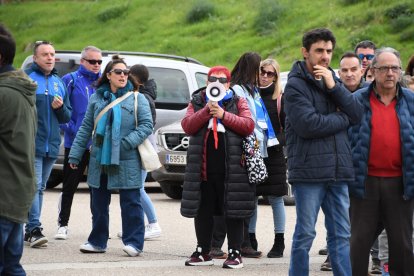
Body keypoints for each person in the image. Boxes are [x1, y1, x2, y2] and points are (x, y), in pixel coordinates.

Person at [284, 28, 362, 276]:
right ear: (305, 52)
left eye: (329, 51)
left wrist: (333, 86)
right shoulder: (294, 86)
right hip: (309, 173)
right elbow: (308, 126)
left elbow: (357, 114)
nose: (325, 56)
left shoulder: (334, 81)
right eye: (319, 50)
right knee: (305, 234)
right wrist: (342, 118)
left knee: (341, 234)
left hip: (339, 172)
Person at [68, 55, 153, 256]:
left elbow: (146, 125)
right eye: (118, 72)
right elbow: (85, 127)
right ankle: (97, 241)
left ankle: (134, 243)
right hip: (99, 157)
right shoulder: (97, 98)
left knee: (131, 201)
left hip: (128, 157)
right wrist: (75, 155)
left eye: (126, 72)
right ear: (108, 75)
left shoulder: (136, 98)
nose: (123, 75)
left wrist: (126, 143)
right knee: (98, 202)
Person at [181, 65, 255, 269]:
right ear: (207, 81)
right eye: (214, 79)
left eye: (222, 80)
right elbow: (187, 125)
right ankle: (203, 251)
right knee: (202, 209)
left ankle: (235, 252)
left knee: (233, 210)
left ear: (229, 83)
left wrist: (223, 114)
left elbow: (248, 125)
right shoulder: (197, 101)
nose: (218, 84)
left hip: (232, 169)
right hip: (203, 168)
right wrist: (206, 111)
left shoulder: (238, 101)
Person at [348, 47, 414, 276]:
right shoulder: (356, 100)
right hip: (364, 182)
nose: (389, 73)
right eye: (384, 68)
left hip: (400, 183)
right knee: (358, 242)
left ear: (400, 71)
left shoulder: (411, 101)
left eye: (394, 68)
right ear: (373, 71)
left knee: (403, 245)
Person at [24, 40, 72, 248]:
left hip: (51, 145)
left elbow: (66, 116)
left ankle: (29, 230)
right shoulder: (26, 79)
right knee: (34, 186)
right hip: (30, 143)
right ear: (35, 58)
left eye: (52, 54)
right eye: (45, 54)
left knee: (40, 188)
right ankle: (34, 228)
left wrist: (60, 108)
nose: (50, 58)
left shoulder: (58, 82)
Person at [0, 23, 37, 275]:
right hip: (16, 191)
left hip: (4, 194)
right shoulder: (19, 89)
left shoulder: (5, 93)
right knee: (12, 267)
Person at [232, 52, 276, 259]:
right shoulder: (237, 90)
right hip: (245, 151)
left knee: (250, 196)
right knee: (243, 197)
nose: (261, 74)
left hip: (257, 151)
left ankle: (246, 242)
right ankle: (242, 243)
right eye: (259, 69)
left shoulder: (253, 90)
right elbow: (245, 120)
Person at [55, 46, 102, 240]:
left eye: (99, 62)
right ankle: (63, 224)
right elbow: (60, 111)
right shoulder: (70, 80)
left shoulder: (102, 83)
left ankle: (97, 226)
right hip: (75, 143)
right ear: (82, 61)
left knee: (96, 188)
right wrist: (74, 129)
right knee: (70, 185)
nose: (97, 65)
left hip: (98, 145)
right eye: (92, 62)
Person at [117, 64, 162, 240]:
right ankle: (136, 226)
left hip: (141, 148)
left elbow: (145, 126)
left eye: (128, 75)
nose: (124, 78)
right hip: (140, 147)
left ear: (135, 79)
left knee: (138, 188)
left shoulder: (143, 98)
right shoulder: (144, 95)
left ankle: (153, 224)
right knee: (135, 188)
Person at [248, 58, 287, 258]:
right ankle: (251, 238)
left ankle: (279, 241)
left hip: (274, 155)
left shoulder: (280, 97)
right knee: (252, 196)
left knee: (276, 198)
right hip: (254, 153)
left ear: (276, 76)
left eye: (269, 73)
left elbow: (288, 128)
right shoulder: (249, 95)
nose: (264, 76)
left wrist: (276, 141)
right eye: (262, 71)